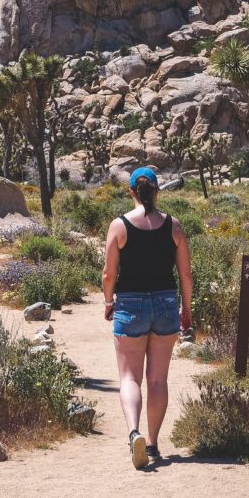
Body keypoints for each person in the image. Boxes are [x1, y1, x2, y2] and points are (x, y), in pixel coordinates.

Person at [101, 167, 193, 469]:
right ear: (156, 191)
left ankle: (134, 433)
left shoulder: (119, 225)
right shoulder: (174, 226)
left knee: (129, 377)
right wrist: (186, 309)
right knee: (157, 379)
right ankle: (152, 445)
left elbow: (108, 274)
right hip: (166, 304)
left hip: (130, 305)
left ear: (131, 191)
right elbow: (185, 275)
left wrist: (107, 301)